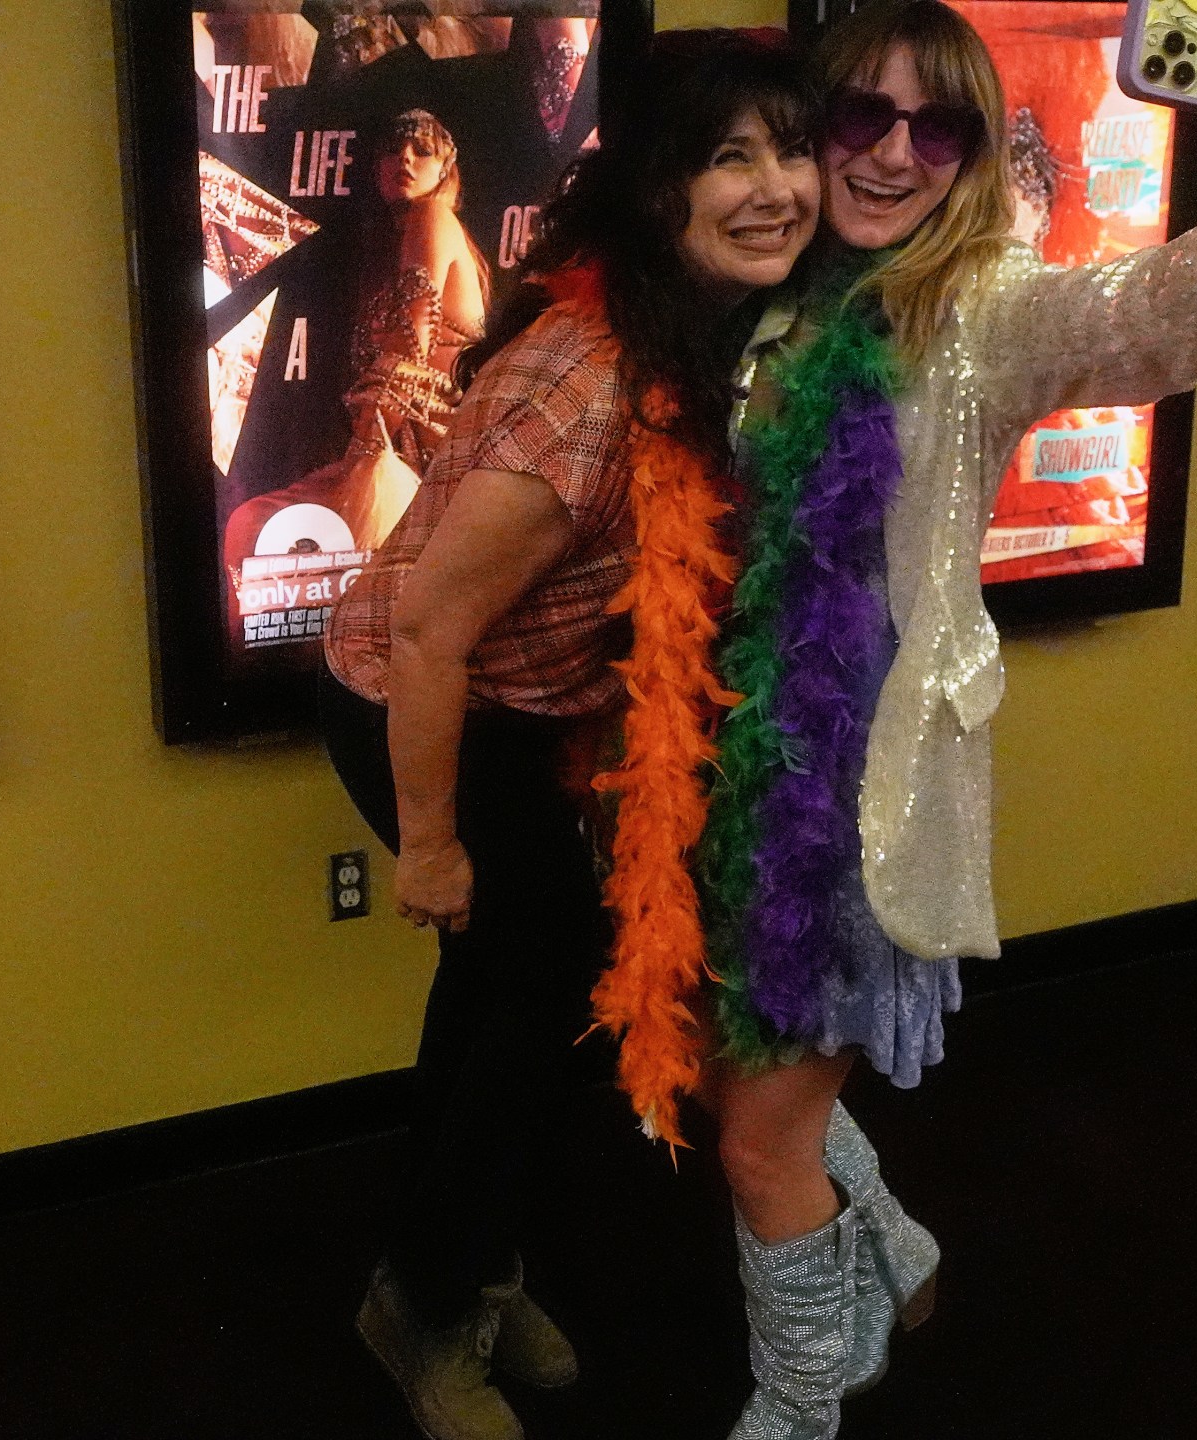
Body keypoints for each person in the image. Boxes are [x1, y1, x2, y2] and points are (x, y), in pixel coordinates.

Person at [673, 3, 1197, 1435]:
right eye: (861, 116)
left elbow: (1158, 307)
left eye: (938, 127)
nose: (894, 154)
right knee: (735, 1077)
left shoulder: (979, 316)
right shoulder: (760, 295)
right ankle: (893, 1250)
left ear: (974, 156)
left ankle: (799, 1401)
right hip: (727, 765)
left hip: (856, 791)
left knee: (755, 1143)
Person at [319, 31, 822, 1440]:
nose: (776, 187)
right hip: (420, 704)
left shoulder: (715, 330)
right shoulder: (588, 391)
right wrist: (429, 846)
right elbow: (429, 632)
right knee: (529, 1011)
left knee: (501, 1007)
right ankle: (431, 1308)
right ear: (659, 188)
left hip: (514, 705)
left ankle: (451, 1271)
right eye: (730, 157)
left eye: (792, 151)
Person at [224, 108, 494, 574]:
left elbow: (409, 347)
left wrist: (367, 448)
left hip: (425, 455)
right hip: (411, 447)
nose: (404, 158)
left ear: (445, 170)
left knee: (255, 528)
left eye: (422, 150)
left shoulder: (430, 216)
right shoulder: (393, 242)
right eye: (392, 149)